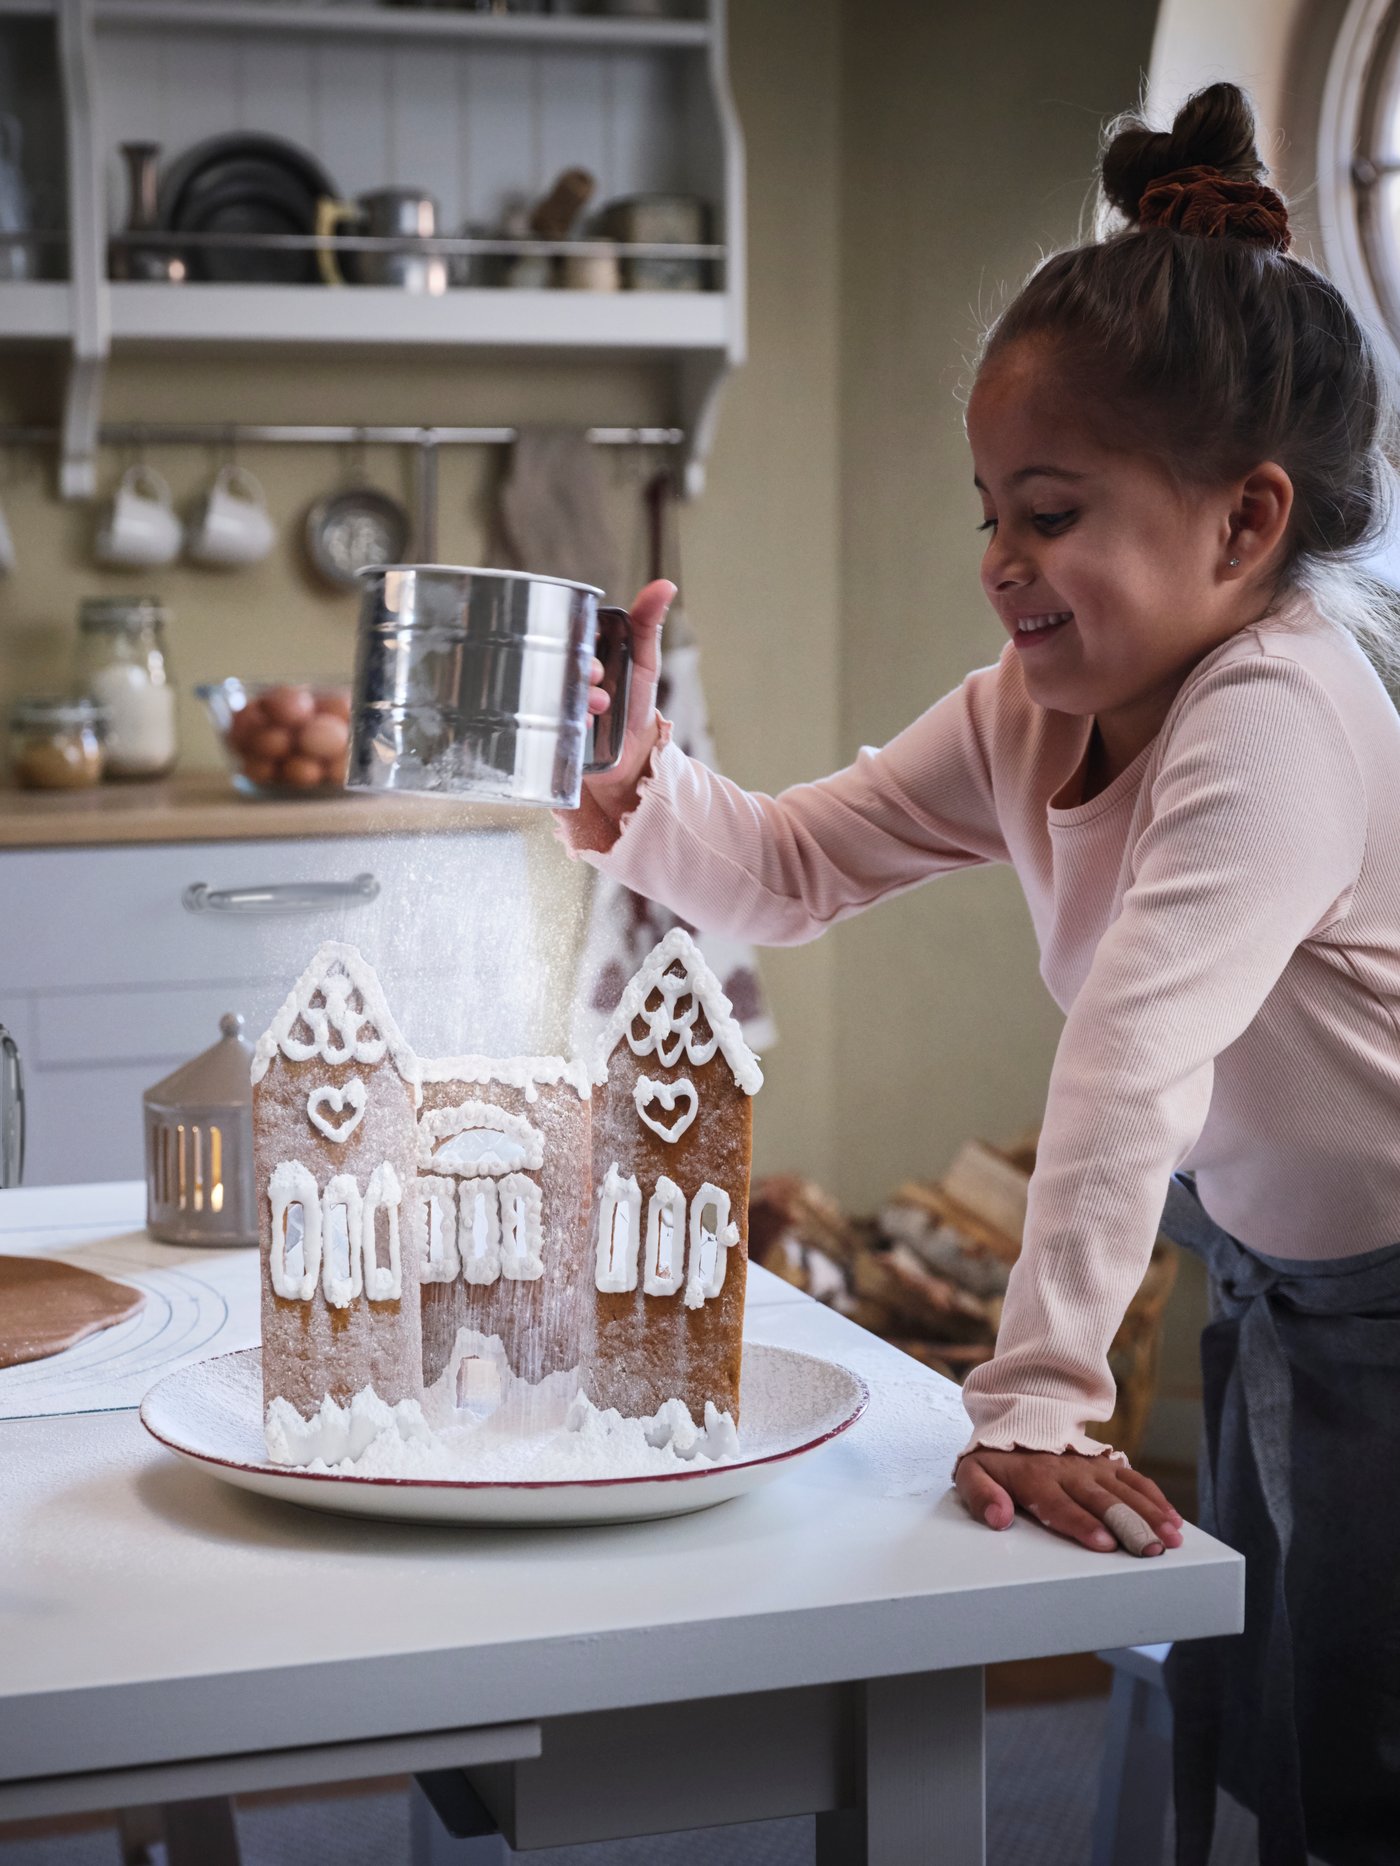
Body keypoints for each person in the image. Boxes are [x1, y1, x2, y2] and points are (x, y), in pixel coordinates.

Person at [558, 82, 1400, 1866]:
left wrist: (1032, 1396)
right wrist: (653, 806)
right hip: (1278, 1271)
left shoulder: (1284, 722)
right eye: (990, 512)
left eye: (1055, 512)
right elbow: (793, 861)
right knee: (1280, 1727)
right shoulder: (1041, 705)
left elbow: (1130, 1056)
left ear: (1245, 525)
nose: (1005, 562)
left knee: (1365, 1755)